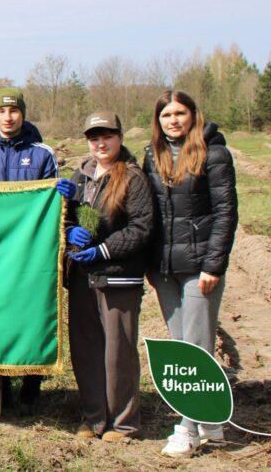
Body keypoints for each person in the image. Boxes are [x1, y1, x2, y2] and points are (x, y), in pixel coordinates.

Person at [143, 91, 238, 457]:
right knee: (180, 343)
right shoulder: (153, 155)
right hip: (164, 269)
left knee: (196, 347)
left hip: (199, 268)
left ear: (193, 115)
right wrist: (151, 264)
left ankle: (186, 427)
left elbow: (226, 213)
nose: (173, 120)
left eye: (180, 113)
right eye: (166, 115)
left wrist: (214, 265)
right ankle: (210, 424)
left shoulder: (214, 154)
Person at [62, 111, 154, 442]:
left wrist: (103, 251)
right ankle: (93, 417)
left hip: (117, 277)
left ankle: (124, 423)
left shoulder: (133, 177)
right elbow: (66, 220)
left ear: (119, 137)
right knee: (86, 348)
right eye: (94, 137)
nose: (101, 143)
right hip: (82, 276)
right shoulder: (78, 177)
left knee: (119, 350)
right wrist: (70, 229)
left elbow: (141, 227)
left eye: (107, 136)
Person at [0, 88, 58, 417]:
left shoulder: (43, 154)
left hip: (30, 252)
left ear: (22, 114)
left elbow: (52, 209)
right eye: (2, 112)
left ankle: (32, 387)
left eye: (14, 111)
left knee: (32, 314)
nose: (8, 117)